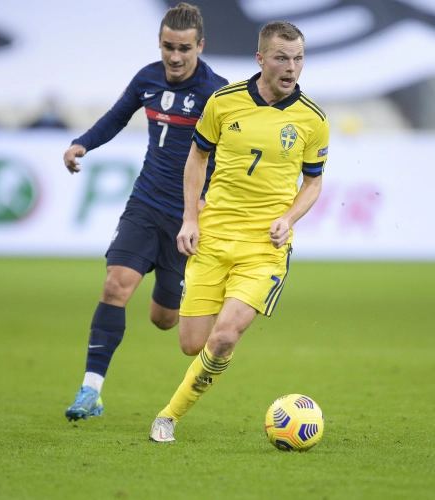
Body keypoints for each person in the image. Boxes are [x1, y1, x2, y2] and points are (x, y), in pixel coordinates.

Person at [149, 21, 330, 442]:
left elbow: (314, 183)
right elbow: (196, 158)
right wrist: (190, 218)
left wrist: (289, 218)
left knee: (226, 336)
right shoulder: (224, 102)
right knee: (192, 344)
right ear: (261, 59)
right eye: (282, 58)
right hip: (213, 236)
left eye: (298, 58)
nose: (291, 67)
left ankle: (168, 416)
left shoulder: (313, 120)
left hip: (264, 246)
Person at [62, 3, 227, 421]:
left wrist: (211, 200)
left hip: (188, 219)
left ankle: (182, 296)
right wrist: (82, 143)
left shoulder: (218, 93)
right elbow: (116, 117)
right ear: (160, 43)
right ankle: (90, 390)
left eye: (184, 49)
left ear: (200, 46)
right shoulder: (148, 78)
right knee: (116, 285)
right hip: (146, 203)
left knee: (164, 319)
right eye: (168, 47)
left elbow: (232, 154)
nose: (175, 56)